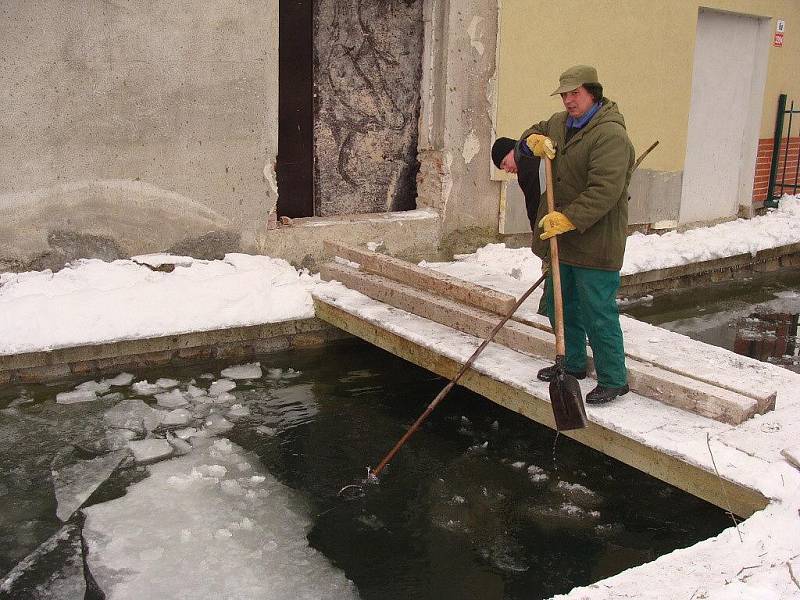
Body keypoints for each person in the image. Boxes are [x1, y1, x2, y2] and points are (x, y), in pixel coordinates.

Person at [519, 65, 635, 404]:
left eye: (575, 94)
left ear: (593, 93)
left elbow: (605, 190)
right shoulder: (559, 124)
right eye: (565, 94)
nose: (569, 100)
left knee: (597, 310)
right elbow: (532, 133)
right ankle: (571, 365)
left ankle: (614, 379)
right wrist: (531, 142)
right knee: (561, 304)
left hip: (596, 240)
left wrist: (568, 218)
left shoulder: (610, 135)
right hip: (563, 238)